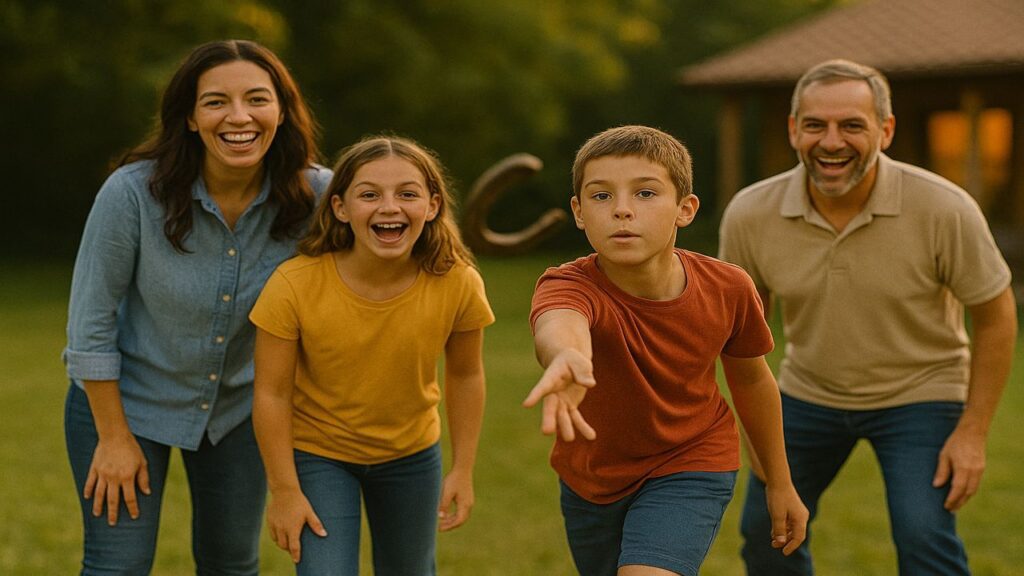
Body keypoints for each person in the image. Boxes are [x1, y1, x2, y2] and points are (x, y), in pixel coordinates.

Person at [719, 59, 1019, 575]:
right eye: (815, 125)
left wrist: (972, 432)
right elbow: (740, 332)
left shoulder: (944, 208)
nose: (831, 141)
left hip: (921, 395)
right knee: (767, 532)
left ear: (886, 129)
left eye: (852, 125)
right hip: (808, 392)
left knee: (923, 534)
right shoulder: (750, 213)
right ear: (794, 130)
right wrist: (753, 428)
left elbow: (995, 315)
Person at [62, 39, 331, 575]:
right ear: (189, 116)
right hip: (127, 404)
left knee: (231, 564)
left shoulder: (317, 196)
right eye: (215, 102)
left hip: (240, 408)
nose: (239, 117)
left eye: (257, 99)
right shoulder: (133, 194)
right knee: (117, 565)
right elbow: (89, 326)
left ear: (281, 109)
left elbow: (384, 261)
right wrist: (114, 439)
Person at [523, 125, 807, 576]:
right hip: (591, 479)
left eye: (645, 194)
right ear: (578, 212)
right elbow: (561, 324)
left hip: (692, 460)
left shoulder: (729, 288)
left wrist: (779, 482)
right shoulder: (567, 284)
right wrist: (567, 357)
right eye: (600, 197)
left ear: (685, 209)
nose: (621, 210)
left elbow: (752, 379)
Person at [250, 134, 494, 575]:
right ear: (341, 208)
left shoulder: (457, 282)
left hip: (411, 456)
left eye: (407, 194)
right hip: (319, 454)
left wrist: (462, 469)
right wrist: (284, 490)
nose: (389, 207)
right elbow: (271, 393)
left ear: (433, 206)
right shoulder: (294, 285)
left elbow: (465, 375)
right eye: (369, 195)